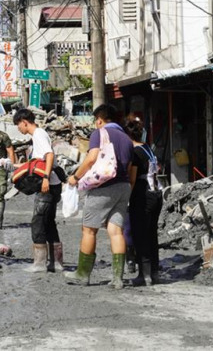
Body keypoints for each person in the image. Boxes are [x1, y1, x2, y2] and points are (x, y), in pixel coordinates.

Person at [65, 104, 134, 288]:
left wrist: (75, 177)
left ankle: (82, 274)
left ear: (100, 119)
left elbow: (91, 158)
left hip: (104, 187)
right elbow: (128, 167)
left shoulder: (100, 133)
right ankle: (117, 279)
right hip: (123, 186)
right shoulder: (127, 139)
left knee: (89, 230)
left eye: (96, 120)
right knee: (116, 231)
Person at [13, 109, 63, 273]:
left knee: (38, 221)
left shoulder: (39, 134)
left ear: (24, 122)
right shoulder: (39, 135)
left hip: (47, 185)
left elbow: (49, 155)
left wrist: (46, 178)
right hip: (52, 184)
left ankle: (40, 263)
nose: (19, 128)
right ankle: (56, 262)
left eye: (18, 125)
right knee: (48, 222)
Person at [125, 117, 163, 286]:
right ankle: (154, 273)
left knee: (140, 235)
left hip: (142, 195)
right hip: (156, 193)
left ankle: (144, 275)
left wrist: (126, 198)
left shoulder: (135, 152)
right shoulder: (148, 149)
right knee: (151, 234)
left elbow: (132, 179)